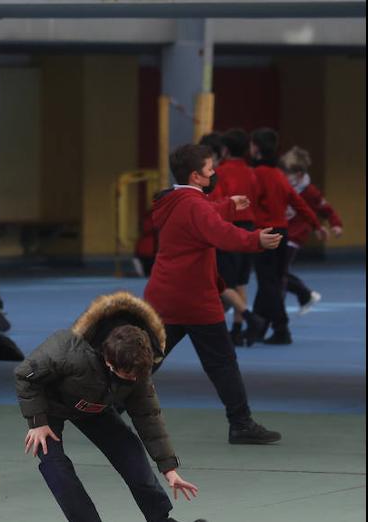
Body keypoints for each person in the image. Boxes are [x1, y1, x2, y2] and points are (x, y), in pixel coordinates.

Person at [17, 291, 204, 522]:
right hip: (51, 406)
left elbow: (148, 416)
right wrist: (37, 422)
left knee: (129, 449)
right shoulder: (69, 351)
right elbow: (25, 375)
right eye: (126, 375)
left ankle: (160, 518)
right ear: (108, 360)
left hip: (94, 406)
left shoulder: (137, 366)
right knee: (55, 466)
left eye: (137, 375)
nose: (132, 379)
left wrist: (169, 469)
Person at [143, 143, 283, 445]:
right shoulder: (194, 205)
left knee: (145, 359)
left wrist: (229, 205)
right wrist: (256, 239)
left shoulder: (175, 200)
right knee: (222, 363)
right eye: (210, 169)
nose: (214, 173)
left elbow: (201, 214)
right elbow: (220, 233)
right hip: (194, 298)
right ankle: (241, 423)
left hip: (164, 295)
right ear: (196, 176)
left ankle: (103, 407)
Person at [249, 128, 322, 345]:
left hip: (264, 233)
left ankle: (281, 328)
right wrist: (316, 224)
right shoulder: (279, 176)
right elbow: (298, 203)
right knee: (270, 282)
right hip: (282, 232)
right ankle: (259, 328)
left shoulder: (256, 175)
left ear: (256, 148)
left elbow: (247, 203)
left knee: (268, 283)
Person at [207, 128, 261, 345]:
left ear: (225, 150)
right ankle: (237, 330)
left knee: (223, 282)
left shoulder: (220, 172)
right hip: (249, 226)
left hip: (230, 227)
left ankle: (249, 317)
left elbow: (218, 203)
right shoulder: (251, 172)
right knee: (240, 282)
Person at [280, 146, 343, 314]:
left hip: (295, 235)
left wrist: (336, 225)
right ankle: (304, 295)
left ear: (299, 174)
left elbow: (326, 210)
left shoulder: (310, 191)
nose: (284, 176)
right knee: (278, 272)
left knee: (279, 272)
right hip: (281, 231)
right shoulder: (283, 185)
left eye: (287, 173)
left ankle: (284, 307)